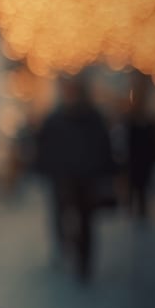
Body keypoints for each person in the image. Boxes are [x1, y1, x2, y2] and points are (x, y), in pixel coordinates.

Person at [34, 75, 116, 282]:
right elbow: (44, 148)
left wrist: (106, 173)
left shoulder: (93, 118)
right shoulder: (55, 119)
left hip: (86, 179)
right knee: (61, 215)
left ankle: (83, 259)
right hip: (62, 179)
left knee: (86, 220)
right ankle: (64, 247)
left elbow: (104, 147)